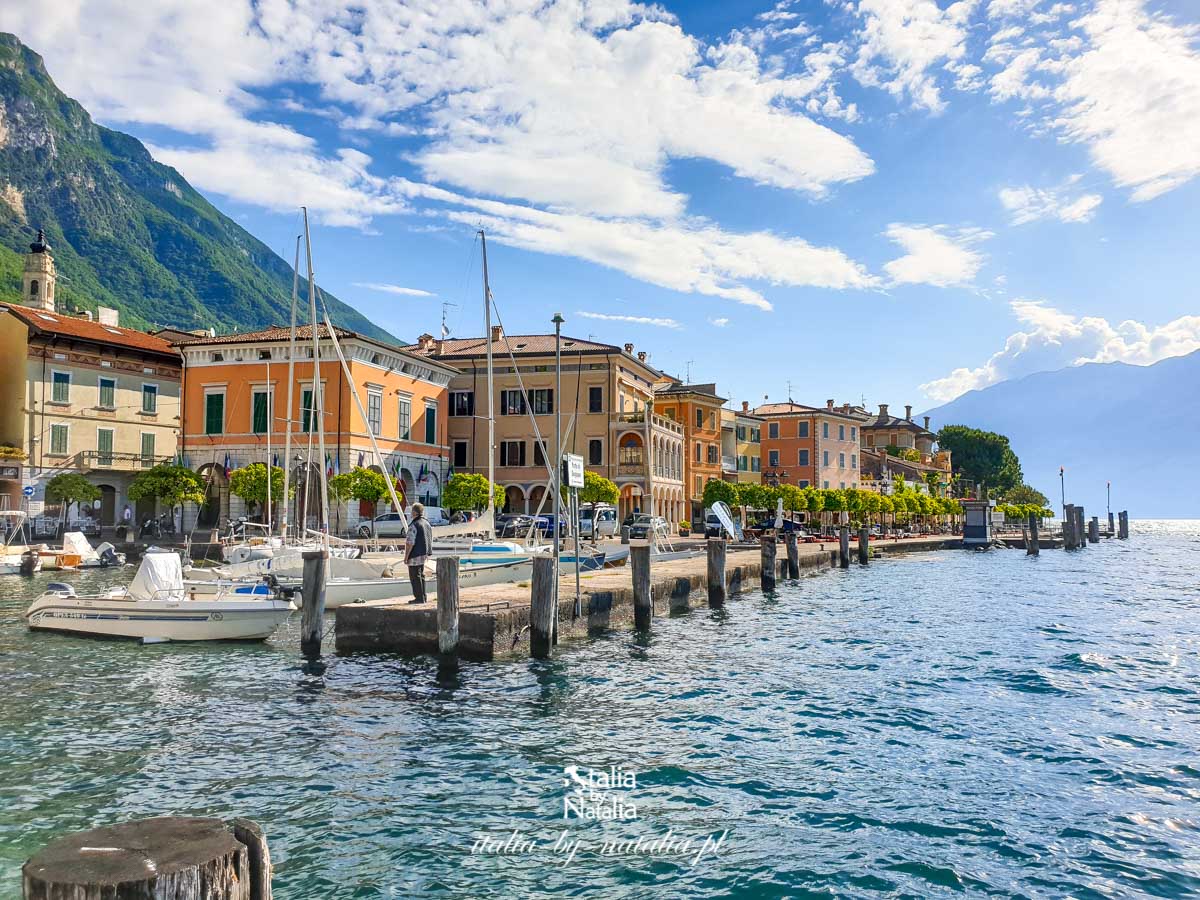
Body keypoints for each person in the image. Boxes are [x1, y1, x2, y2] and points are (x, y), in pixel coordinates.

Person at [405, 503, 433, 605]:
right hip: (424, 553)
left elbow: (410, 543)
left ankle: (419, 598)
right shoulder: (426, 523)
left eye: (412, 510)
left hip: (415, 553)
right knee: (421, 575)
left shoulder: (414, 525)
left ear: (414, 512)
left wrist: (406, 557)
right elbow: (430, 538)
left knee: (414, 576)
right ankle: (423, 596)